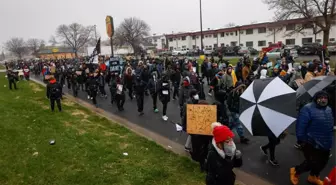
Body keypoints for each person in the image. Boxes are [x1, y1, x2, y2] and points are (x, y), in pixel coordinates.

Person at [290, 91, 334, 185]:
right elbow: (300, 126)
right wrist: (301, 140)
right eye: (321, 97)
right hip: (311, 142)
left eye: (325, 98)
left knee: (322, 162)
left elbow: (330, 126)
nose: (323, 100)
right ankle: (295, 171)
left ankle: (313, 176)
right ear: (316, 98)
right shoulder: (307, 109)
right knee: (311, 162)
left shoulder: (329, 109)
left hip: (326, 143)